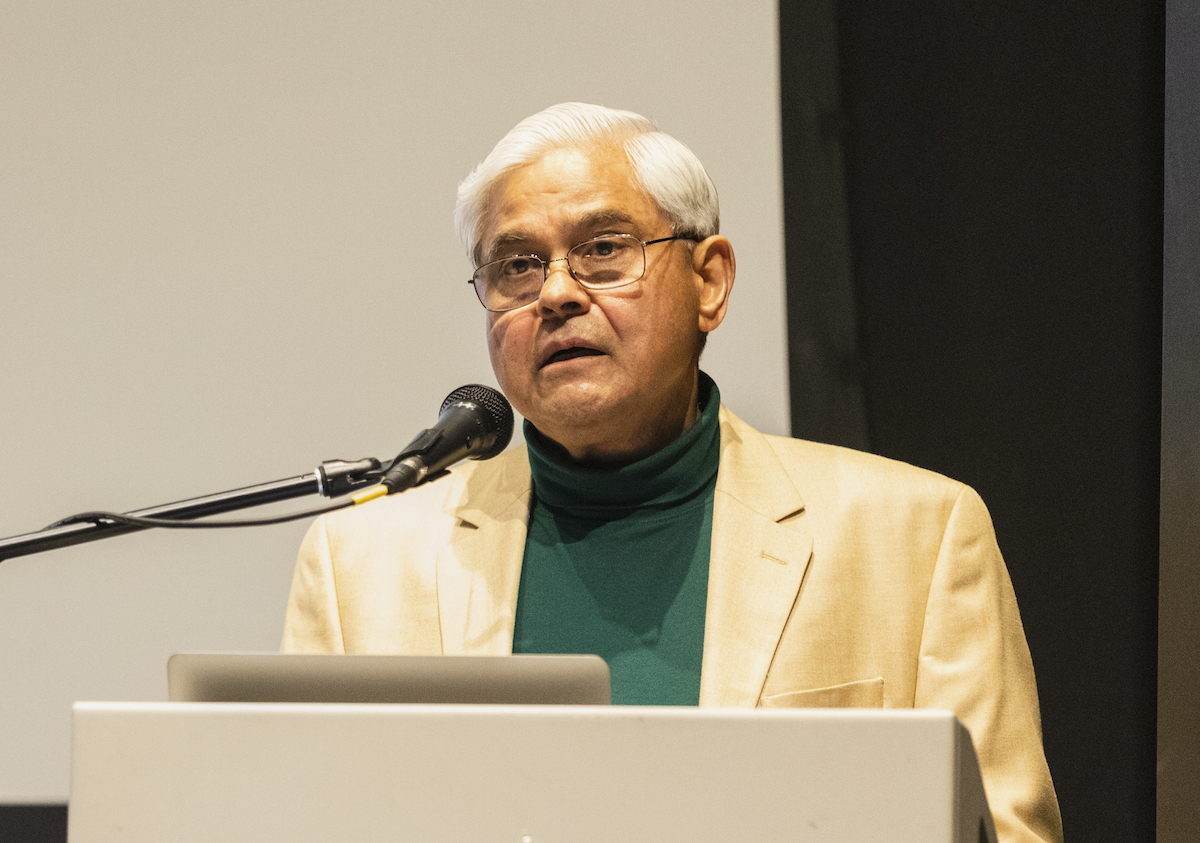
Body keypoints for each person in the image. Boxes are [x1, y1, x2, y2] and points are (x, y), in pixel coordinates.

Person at [283, 102, 1063, 843]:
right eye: (517, 266)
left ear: (710, 282)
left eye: (603, 250)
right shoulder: (361, 569)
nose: (555, 293)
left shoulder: (916, 537)